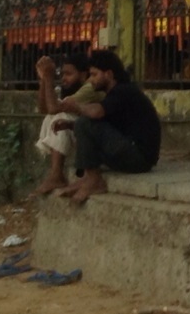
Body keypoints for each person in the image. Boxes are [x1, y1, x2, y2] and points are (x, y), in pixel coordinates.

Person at [58, 50, 161, 204]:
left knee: (84, 122)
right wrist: (70, 125)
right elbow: (104, 125)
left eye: (94, 75)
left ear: (109, 74)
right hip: (132, 153)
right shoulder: (114, 94)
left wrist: (76, 107)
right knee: (82, 124)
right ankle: (87, 178)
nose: (91, 80)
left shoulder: (123, 90)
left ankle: (94, 181)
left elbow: (97, 113)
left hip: (139, 157)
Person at [31, 52, 104, 196]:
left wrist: (49, 77)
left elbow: (54, 108)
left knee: (61, 116)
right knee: (51, 118)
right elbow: (44, 110)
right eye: (62, 74)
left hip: (101, 140)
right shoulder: (72, 89)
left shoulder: (90, 87)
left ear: (83, 75)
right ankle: (56, 174)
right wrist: (44, 79)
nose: (64, 78)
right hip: (87, 137)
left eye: (69, 74)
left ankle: (56, 174)